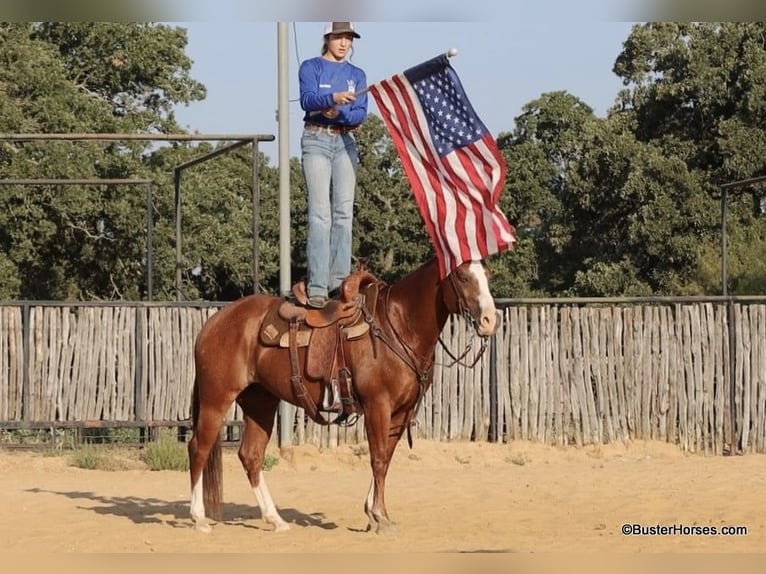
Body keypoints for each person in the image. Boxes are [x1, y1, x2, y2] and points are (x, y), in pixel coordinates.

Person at [298, 21, 368, 309]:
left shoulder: (357, 74)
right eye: (339, 37)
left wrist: (334, 111)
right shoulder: (311, 67)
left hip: (345, 144)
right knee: (320, 214)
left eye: (348, 38)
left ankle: (339, 282)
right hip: (316, 139)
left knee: (343, 214)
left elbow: (359, 114)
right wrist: (332, 99)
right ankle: (317, 285)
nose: (343, 43)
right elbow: (307, 100)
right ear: (327, 38)